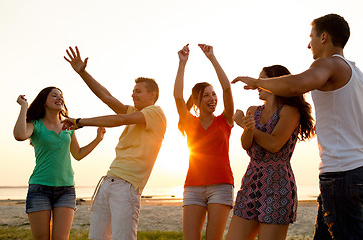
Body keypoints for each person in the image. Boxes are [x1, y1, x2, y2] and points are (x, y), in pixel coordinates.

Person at [233, 14, 363, 240]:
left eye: (311, 37)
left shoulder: (328, 63)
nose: (308, 43)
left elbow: (297, 85)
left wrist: (258, 82)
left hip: (343, 177)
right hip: (346, 175)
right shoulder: (356, 74)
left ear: (324, 37)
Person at [63, 46, 167, 240]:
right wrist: (83, 73)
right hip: (108, 181)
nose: (133, 94)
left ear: (152, 95)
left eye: (138, 91)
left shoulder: (156, 113)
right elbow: (106, 96)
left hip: (127, 187)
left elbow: (118, 120)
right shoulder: (131, 111)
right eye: (133, 91)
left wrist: (80, 122)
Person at [227, 65, 315, 240]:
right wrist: (248, 129)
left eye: (263, 80)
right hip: (252, 180)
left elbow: (274, 144)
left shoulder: (290, 112)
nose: (258, 85)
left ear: (276, 83)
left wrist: (245, 124)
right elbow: (246, 145)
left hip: (278, 184)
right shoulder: (253, 110)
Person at [13, 87, 105, 240]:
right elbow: (20, 135)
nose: (59, 98)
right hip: (39, 189)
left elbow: (78, 154)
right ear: (44, 102)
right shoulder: (35, 125)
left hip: (66, 190)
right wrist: (24, 107)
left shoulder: (68, 126)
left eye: (61, 96)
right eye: (54, 95)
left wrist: (98, 139)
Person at [174, 44, 234, 240]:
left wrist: (212, 58)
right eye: (206, 95)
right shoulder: (189, 123)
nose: (212, 98)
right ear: (197, 101)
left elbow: (226, 88)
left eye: (213, 94)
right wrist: (182, 63)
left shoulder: (225, 120)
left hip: (221, 186)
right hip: (193, 187)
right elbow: (177, 96)